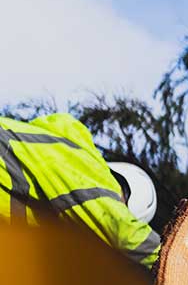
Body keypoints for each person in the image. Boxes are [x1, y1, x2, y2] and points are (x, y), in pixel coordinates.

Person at [0, 112, 160, 269]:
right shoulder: (88, 173)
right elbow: (121, 230)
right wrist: (175, 259)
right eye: (121, 208)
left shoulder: (64, 155)